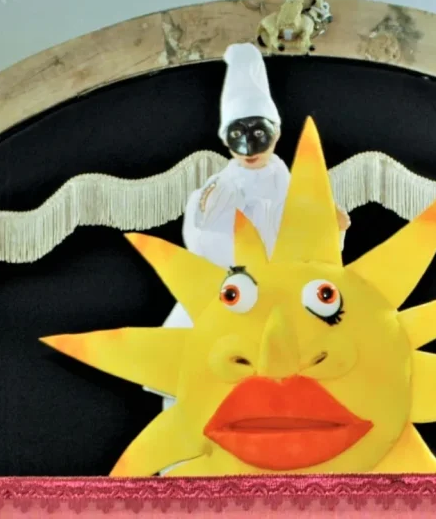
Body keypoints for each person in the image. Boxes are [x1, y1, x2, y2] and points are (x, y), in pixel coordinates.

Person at [150, 43, 351, 410]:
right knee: (200, 380)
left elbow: (316, 249)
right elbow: (201, 243)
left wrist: (333, 228)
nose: (249, 148)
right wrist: (207, 216)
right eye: (237, 136)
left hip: (284, 300)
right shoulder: (219, 190)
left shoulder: (296, 188)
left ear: (275, 133)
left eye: (259, 134)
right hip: (230, 297)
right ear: (226, 139)